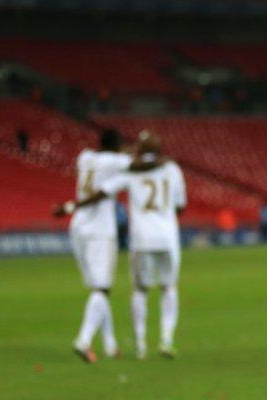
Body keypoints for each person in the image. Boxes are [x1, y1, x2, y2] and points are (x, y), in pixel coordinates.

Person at [58, 132, 187, 360]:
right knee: (166, 287)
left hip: (96, 229)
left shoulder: (85, 156)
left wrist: (71, 206)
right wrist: (166, 160)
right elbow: (179, 205)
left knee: (128, 290)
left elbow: (104, 190)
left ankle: (134, 345)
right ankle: (166, 340)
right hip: (163, 236)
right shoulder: (169, 169)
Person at [59, 129, 131, 363]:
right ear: (117, 145)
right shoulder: (118, 164)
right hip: (100, 231)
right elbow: (132, 162)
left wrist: (70, 208)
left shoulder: (85, 157)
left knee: (98, 290)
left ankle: (110, 345)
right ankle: (83, 340)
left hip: (78, 228)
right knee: (102, 289)